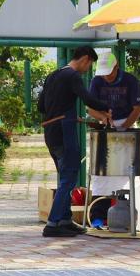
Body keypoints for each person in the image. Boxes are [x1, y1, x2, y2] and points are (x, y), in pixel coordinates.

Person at [39, 46, 111, 238]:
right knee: (69, 177)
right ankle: (53, 223)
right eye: (89, 65)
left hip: (50, 132)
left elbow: (40, 105)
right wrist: (107, 108)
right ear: (85, 59)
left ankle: (65, 219)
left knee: (65, 176)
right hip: (64, 131)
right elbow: (88, 99)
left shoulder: (53, 76)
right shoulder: (72, 76)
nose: (87, 69)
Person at [89, 51, 140, 130]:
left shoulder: (131, 80)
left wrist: (124, 127)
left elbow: (138, 108)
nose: (106, 76)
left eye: (109, 73)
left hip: (128, 121)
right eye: (103, 74)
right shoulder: (96, 81)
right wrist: (103, 117)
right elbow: (91, 109)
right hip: (105, 123)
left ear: (116, 66)